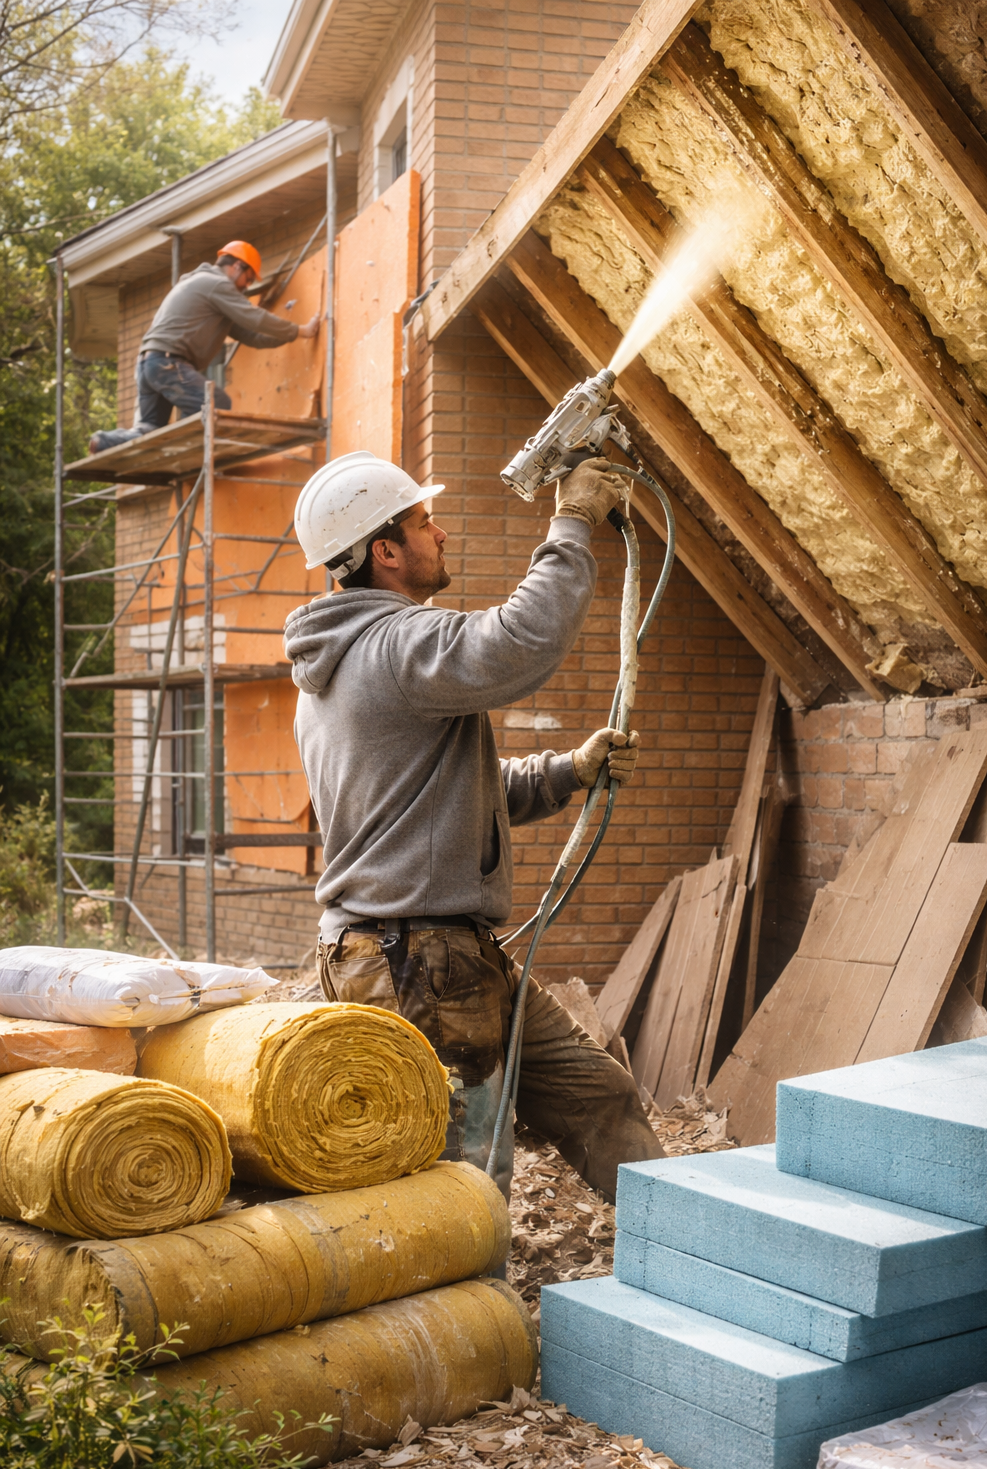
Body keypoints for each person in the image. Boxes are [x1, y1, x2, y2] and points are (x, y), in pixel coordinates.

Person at [284, 450, 666, 1202]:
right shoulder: (394, 647)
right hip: (419, 962)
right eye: (424, 522)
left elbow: (452, 796)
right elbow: (518, 643)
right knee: (463, 1183)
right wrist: (572, 520)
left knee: (597, 1096)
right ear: (385, 552)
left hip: (440, 955)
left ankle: (691, 1255)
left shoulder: (357, 662)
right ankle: (469, 1320)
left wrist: (568, 771)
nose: (443, 533)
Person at [88, 241, 320, 453]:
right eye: (248, 279)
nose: (247, 287)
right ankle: (189, 452)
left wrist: (291, 337)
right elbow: (255, 318)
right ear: (237, 266)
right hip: (168, 362)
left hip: (149, 364)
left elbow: (251, 336)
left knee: (149, 429)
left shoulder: (203, 288)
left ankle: (105, 441)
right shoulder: (216, 284)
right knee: (217, 405)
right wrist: (301, 330)